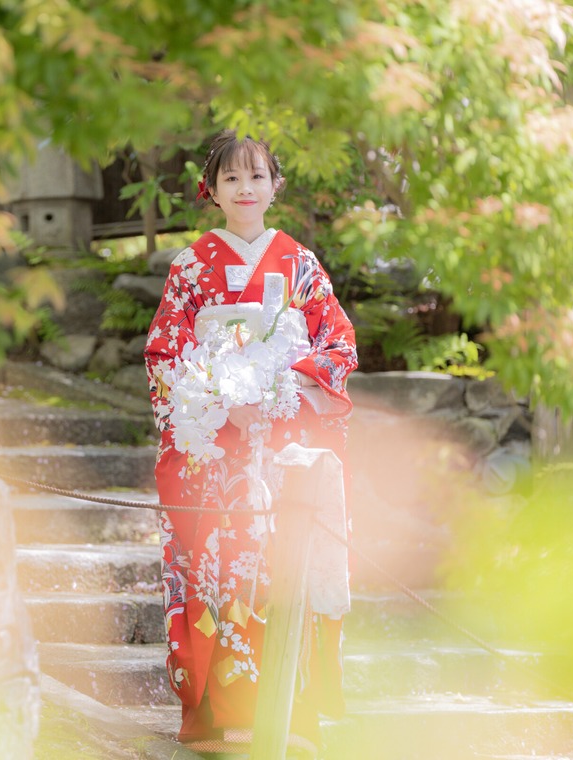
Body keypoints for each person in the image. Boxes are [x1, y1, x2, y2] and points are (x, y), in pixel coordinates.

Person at [143, 129, 358, 756]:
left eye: (257, 176)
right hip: (214, 453)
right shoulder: (191, 266)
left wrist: (279, 388)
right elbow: (164, 352)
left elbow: (337, 345)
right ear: (211, 190)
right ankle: (214, 714)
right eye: (231, 179)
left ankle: (291, 710)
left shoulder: (300, 264)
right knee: (214, 570)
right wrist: (213, 399)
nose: (245, 189)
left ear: (275, 186)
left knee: (284, 565)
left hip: (282, 448)